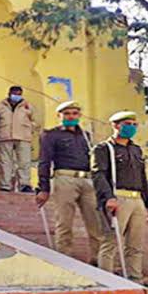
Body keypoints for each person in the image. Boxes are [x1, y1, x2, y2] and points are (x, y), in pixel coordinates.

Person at [37, 101, 104, 265]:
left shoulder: (86, 136)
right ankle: (65, 260)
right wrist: (43, 188)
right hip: (65, 178)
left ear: (79, 115)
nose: (71, 117)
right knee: (64, 222)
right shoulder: (51, 135)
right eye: (67, 114)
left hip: (87, 179)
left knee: (96, 222)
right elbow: (44, 161)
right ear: (59, 116)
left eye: (74, 113)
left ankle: (98, 260)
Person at [92, 111, 148, 283]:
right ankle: (105, 280)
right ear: (115, 125)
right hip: (118, 197)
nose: (131, 127)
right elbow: (99, 175)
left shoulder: (136, 149)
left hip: (137, 199)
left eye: (134, 124)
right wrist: (108, 197)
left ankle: (135, 279)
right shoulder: (104, 148)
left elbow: (142, 178)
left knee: (135, 244)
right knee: (111, 242)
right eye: (127, 124)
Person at [0, 86, 37, 192]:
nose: (16, 96)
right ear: (9, 93)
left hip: (23, 137)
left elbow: (34, 121)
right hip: (5, 137)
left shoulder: (28, 106)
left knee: (24, 162)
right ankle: (5, 185)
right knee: (5, 162)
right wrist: (1, 128)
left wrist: (28, 129)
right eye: (14, 93)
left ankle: (24, 185)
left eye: (19, 94)